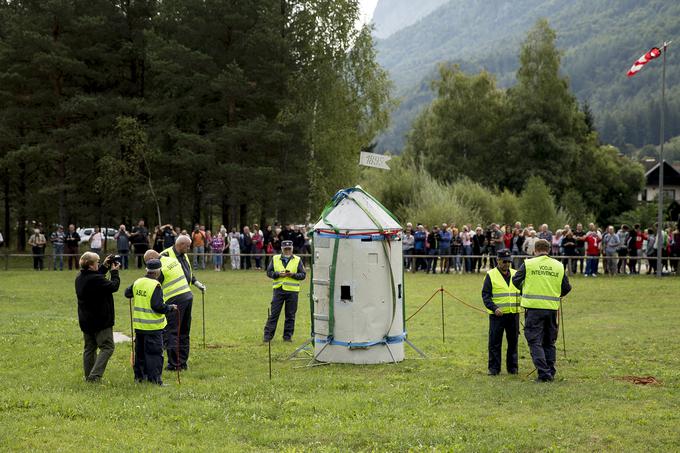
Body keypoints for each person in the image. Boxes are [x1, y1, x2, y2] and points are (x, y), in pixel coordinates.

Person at [512, 239, 571, 382]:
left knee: (534, 341)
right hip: (551, 309)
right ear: (549, 250)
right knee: (549, 342)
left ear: (535, 250)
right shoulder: (558, 266)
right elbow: (567, 287)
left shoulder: (528, 264)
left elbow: (515, 280)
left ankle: (544, 374)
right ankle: (550, 371)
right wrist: (556, 295)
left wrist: (524, 291)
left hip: (533, 309)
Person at [124, 259, 177, 385]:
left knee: (140, 354)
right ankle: (155, 380)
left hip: (139, 326)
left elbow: (127, 293)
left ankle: (140, 378)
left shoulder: (138, 282)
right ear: (158, 271)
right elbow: (157, 306)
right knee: (154, 354)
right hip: (153, 327)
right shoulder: (155, 285)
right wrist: (170, 308)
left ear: (147, 270)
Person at [158, 235, 205, 371]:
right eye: (187, 245)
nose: (189, 248)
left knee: (182, 331)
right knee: (176, 331)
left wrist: (196, 283)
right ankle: (177, 363)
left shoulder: (183, 255)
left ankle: (179, 363)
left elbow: (188, 273)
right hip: (175, 298)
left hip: (183, 297)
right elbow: (156, 277)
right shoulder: (165, 255)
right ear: (181, 244)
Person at [75, 252, 121, 382]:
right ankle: (95, 376)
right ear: (90, 265)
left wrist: (105, 266)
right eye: (97, 262)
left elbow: (96, 277)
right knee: (107, 347)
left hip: (86, 319)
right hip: (100, 320)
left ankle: (88, 375)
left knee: (89, 348)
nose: (99, 263)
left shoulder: (80, 277)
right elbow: (113, 286)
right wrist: (114, 272)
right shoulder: (95, 279)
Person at [481, 250, 521, 376]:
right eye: (504, 261)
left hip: (513, 314)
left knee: (513, 343)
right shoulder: (490, 275)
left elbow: (523, 291)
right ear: (498, 260)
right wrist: (494, 308)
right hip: (497, 315)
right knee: (494, 343)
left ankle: (513, 368)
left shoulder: (516, 274)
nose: (507, 264)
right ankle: (494, 369)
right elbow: (486, 295)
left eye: (509, 261)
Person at [263, 240, 306, 342]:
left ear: (292, 249)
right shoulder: (275, 258)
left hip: (293, 292)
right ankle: (267, 337)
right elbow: (269, 272)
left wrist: (293, 275)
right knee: (274, 314)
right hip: (279, 290)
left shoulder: (297, 259)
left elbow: (303, 275)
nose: (287, 251)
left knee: (290, 315)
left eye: (289, 249)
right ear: (282, 249)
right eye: (285, 249)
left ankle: (287, 337)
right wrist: (278, 274)